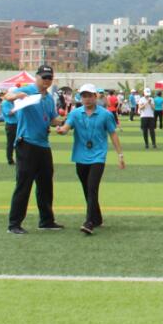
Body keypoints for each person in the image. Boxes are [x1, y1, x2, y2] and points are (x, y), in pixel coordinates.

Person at [3, 64, 65, 234]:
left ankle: (46, 220)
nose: (46, 80)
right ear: (36, 77)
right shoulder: (28, 90)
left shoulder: (48, 98)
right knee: (24, 184)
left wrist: (65, 123)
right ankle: (14, 224)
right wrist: (17, 95)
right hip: (27, 143)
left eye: (49, 78)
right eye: (44, 77)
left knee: (46, 183)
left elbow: (52, 119)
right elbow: (7, 96)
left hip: (43, 144)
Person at [56, 84, 125, 234]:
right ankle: (97, 217)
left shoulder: (105, 114)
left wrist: (120, 155)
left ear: (95, 96)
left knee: (92, 187)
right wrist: (61, 131)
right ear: (80, 97)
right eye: (84, 96)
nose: (86, 99)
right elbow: (66, 128)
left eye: (89, 95)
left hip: (98, 156)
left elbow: (113, 134)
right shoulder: (75, 114)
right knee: (86, 189)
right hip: (80, 156)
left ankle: (89, 222)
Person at [2, 87, 19, 165]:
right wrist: (17, 107)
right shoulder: (5, 103)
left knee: (19, 143)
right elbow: (8, 113)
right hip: (11, 125)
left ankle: (19, 158)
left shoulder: (14, 102)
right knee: (11, 143)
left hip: (17, 124)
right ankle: (10, 159)